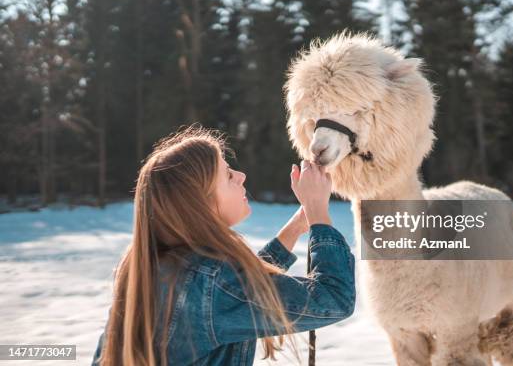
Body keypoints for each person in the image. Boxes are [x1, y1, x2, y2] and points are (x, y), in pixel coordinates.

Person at [92, 125, 355, 365]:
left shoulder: (151, 266)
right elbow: (333, 297)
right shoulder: (213, 282)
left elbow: (240, 291)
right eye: (227, 175)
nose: (240, 176)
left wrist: (296, 226)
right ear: (201, 204)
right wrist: (319, 213)